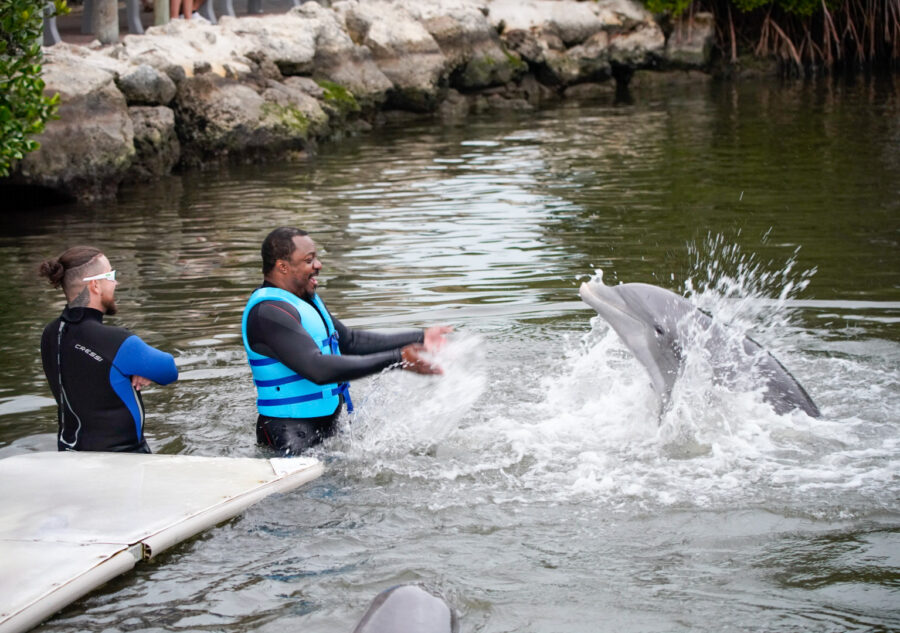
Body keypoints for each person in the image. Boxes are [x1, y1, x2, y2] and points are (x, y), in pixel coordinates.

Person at [242, 227, 451, 455]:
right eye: (309, 260)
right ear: (283, 266)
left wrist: (421, 337)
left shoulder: (303, 301)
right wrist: (398, 360)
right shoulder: (268, 313)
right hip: (288, 435)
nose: (319, 265)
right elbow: (317, 368)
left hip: (326, 428)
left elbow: (349, 341)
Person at [39, 246, 178, 453]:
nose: (116, 282)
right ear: (95, 285)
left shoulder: (50, 333)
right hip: (122, 460)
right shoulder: (116, 341)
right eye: (111, 275)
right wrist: (136, 367)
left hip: (69, 454)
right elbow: (168, 370)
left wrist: (129, 366)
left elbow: (91, 372)